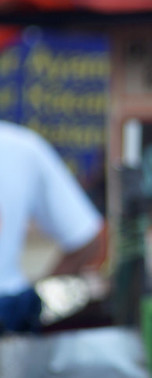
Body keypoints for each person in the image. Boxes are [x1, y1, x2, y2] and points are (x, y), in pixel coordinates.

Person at [0, 121, 104, 333]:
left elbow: (86, 238)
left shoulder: (20, 148)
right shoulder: (20, 147)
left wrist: (34, 305)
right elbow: (86, 237)